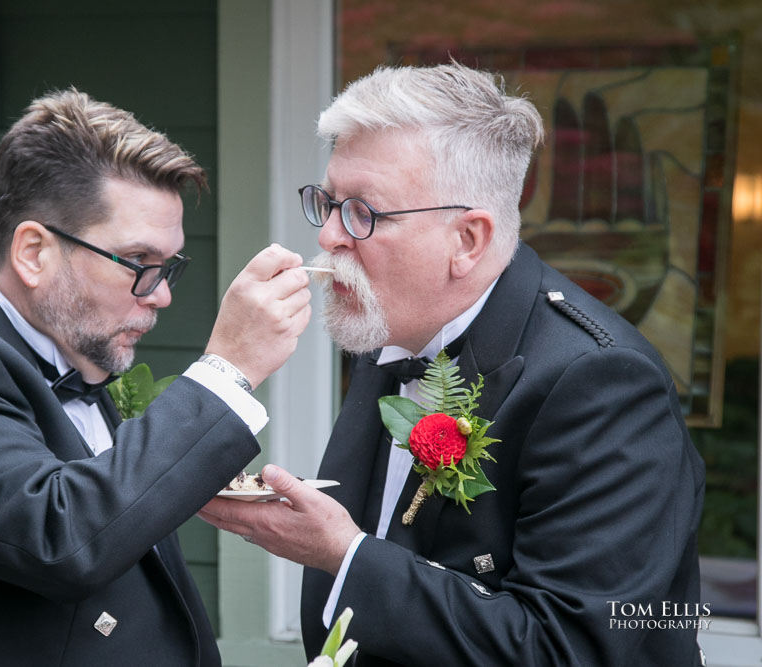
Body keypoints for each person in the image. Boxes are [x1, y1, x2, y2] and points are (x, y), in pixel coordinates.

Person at [198, 63, 706, 666]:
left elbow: (567, 648)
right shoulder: (392, 328)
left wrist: (343, 555)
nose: (330, 235)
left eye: (362, 211)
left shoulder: (603, 382)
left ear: (467, 240)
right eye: (328, 202)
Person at [0, 88, 312, 666]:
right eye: (139, 264)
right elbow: (60, 541)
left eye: (170, 268)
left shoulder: (75, 364)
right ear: (34, 252)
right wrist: (227, 369)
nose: (160, 295)